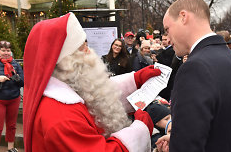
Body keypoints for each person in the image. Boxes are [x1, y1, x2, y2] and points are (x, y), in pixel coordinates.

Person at [22, 12, 161, 152]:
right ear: (67, 62)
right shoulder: (61, 117)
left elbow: (93, 94)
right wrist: (139, 130)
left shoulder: (64, 87)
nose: (91, 52)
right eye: (84, 48)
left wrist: (135, 80)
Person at [157, 0, 231, 152]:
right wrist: (179, 137)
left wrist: (180, 142)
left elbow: (188, 146)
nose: (167, 38)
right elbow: (225, 130)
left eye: (167, 29)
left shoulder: (194, 67)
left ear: (183, 17)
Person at [0, 40, 24, 152]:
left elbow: (23, 82)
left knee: (12, 125)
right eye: (3, 50)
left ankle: (11, 148)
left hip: (14, 98)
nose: (6, 53)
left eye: (8, 50)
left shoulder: (16, 64)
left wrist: (16, 77)